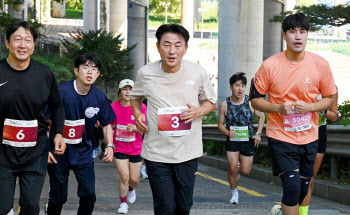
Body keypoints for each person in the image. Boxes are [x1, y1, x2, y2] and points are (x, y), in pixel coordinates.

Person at [249, 13, 337, 215]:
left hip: (309, 136)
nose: (297, 36)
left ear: (307, 35)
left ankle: (282, 211)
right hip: (281, 137)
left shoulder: (320, 64)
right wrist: (278, 108)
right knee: (292, 186)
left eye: (302, 31)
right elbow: (255, 100)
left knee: (304, 186)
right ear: (284, 35)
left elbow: (329, 98)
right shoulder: (270, 65)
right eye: (292, 32)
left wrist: (309, 107)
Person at [130, 24, 217, 215]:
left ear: (185, 48)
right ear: (158, 46)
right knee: (165, 207)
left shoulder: (197, 72)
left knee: (183, 207)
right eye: (167, 45)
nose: (172, 51)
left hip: (187, 152)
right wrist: (138, 115)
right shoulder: (146, 73)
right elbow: (135, 97)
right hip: (156, 153)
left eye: (178, 45)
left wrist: (198, 112)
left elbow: (211, 102)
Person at [0, 21, 66, 215]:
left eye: (28, 40)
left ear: (34, 45)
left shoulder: (44, 74)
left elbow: (57, 106)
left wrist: (58, 134)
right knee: (3, 208)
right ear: (7, 43)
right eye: (17, 39)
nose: (23, 45)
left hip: (34, 150)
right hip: (3, 151)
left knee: (30, 205)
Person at [45, 53, 116, 215]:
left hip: (83, 153)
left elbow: (106, 124)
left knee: (89, 194)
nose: (89, 72)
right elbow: (45, 122)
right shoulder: (61, 92)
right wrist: (46, 147)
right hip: (58, 153)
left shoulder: (99, 97)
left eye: (94, 69)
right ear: (76, 71)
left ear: (98, 74)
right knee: (59, 197)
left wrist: (110, 145)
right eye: (85, 67)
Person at [218, 72, 265, 204]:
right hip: (232, 141)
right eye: (237, 85)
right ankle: (234, 194)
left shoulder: (250, 102)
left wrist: (258, 134)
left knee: (246, 171)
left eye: (243, 86)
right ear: (231, 87)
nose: (240, 88)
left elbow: (261, 117)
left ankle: (235, 172)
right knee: (232, 167)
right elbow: (220, 124)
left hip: (247, 141)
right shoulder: (224, 104)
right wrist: (227, 133)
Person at [299, 88, 338, 215]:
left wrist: (323, 109)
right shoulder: (303, 82)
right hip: (300, 132)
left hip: (319, 133)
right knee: (294, 179)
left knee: (309, 178)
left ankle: (302, 213)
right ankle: (291, 208)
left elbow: (334, 116)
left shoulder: (332, 88)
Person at [111, 79, 147, 214]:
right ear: (120, 91)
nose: (128, 92)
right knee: (124, 178)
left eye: (130, 89)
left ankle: (132, 189)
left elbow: (148, 128)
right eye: (125, 89)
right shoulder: (113, 107)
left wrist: (137, 129)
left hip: (136, 147)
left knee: (134, 179)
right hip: (119, 147)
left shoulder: (141, 107)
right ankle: (123, 204)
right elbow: (108, 125)